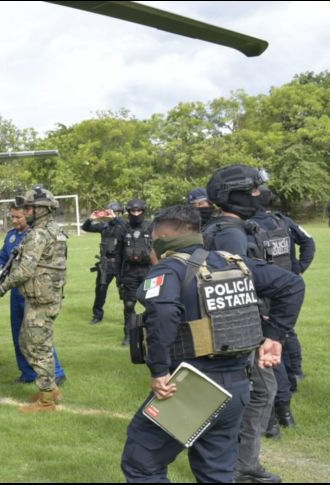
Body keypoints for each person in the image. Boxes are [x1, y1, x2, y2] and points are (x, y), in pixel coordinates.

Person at [121, 205, 304, 483]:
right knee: (216, 472)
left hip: (192, 387)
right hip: (237, 386)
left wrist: (158, 370)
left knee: (142, 462)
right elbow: (292, 285)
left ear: (162, 238)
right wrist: (275, 336)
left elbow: (163, 313)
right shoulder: (235, 262)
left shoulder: (171, 269)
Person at [203, 164, 282, 483]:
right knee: (261, 391)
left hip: (228, 328)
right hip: (240, 329)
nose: (258, 195)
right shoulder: (231, 234)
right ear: (231, 195)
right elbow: (233, 287)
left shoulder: (219, 227)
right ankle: (241, 464)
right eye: (251, 190)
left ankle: (231, 462)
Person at [0, 185, 68, 413]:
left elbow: (24, 271)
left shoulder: (39, 234)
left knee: (37, 346)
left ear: (42, 209)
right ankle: (51, 390)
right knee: (28, 342)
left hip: (41, 298)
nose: (26, 211)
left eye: (30, 208)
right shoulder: (54, 231)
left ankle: (47, 401)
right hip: (45, 295)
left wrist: (0, 288)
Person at [247, 185, 315, 438]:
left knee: (267, 350)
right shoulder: (283, 221)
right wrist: (297, 270)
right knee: (283, 337)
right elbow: (309, 242)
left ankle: (278, 412)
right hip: (286, 289)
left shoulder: (249, 227)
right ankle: (287, 399)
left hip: (264, 291)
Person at [0, 204, 66, 385]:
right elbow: (3, 259)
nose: (14, 221)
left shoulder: (37, 234)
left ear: (28, 215)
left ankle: (56, 372)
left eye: (18, 217)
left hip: (35, 290)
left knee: (38, 334)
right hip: (16, 289)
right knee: (18, 334)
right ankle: (28, 373)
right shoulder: (11, 236)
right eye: (12, 217)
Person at [82, 202, 126, 324]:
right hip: (106, 264)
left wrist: (115, 218)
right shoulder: (104, 226)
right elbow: (85, 228)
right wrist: (90, 219)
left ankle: (128, 317)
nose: (112, 215)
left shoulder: (124, 226)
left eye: (116, 213)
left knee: (125, 291)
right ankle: (97, 315)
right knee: (100, 290)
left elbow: (124, 227)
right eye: (110, 212)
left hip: (120, 263)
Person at [118, 199, 153, 346]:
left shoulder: (151, 227)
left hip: (148, 272)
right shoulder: (123, 229)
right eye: (133, 211)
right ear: (129, 212)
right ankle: (129, 335)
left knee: (151, 303)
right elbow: (119, 254)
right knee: (129, 304)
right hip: (129, 273)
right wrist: (119, 277)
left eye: (139, 211)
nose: (136, 214)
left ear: (143, 211)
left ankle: (152, 332)